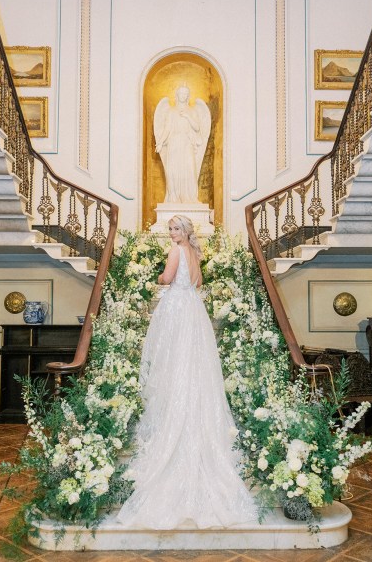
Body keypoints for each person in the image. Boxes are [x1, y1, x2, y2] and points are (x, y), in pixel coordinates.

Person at [116, 216, 257, 529]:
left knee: (172, 362)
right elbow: (199, 283)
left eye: (175, 229)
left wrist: (158, 277)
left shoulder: (176, 250)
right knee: (193, 364)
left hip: (177, 308)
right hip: (194, 309)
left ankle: (174, 411)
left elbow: (166, 279)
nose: (171, 233)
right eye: (170, 229)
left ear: (184, 232)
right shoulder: (195, 252)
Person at [154, 85, 211, 204]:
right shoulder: (171, 111)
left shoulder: (192, 111)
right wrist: (160, 143)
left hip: (187, 143)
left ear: (188, 96)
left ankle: (190, 197)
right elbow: (167, 129)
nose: (183, 96)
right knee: (173, 170)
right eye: (181, 93)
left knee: (190, 169)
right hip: (174, 143)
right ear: (177, 95)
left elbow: (197, 127)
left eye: (185, 93)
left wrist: (188, 116)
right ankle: (173, 197)